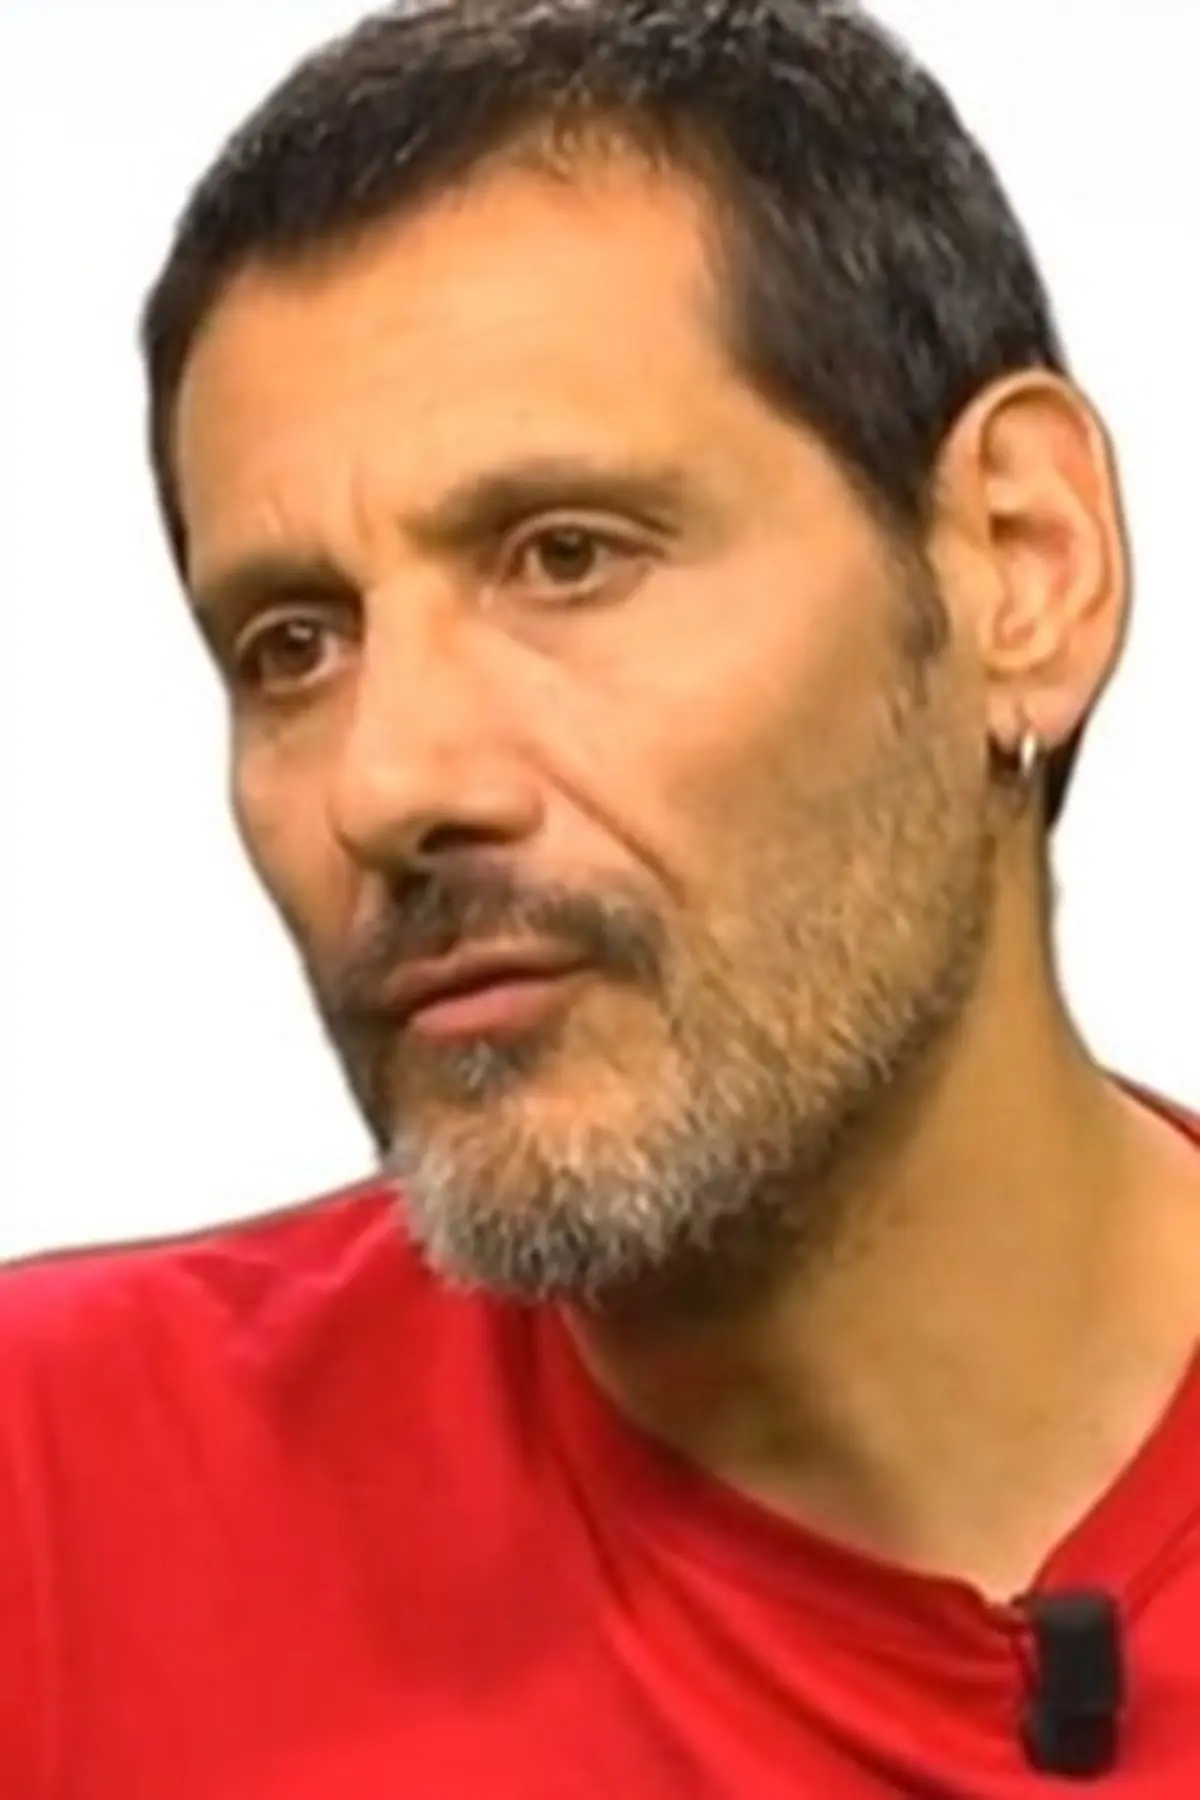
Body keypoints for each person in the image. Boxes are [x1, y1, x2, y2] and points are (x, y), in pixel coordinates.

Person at [2, 1, 1197, 1793]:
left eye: (567, 557)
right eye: (293, 645)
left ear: (1020, 570)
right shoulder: (55, 1517)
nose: (390, 784)